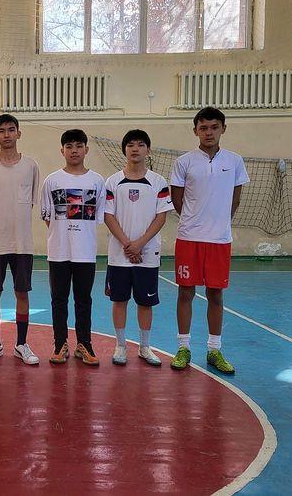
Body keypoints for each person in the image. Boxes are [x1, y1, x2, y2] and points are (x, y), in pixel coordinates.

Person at [169, 107, 249, 374]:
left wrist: (219, 224)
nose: (209, 132)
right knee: (185, 292)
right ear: (195, 131)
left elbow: (235, 199)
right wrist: (195, 221)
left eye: (214, 127)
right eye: (203, 128)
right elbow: (178, 200)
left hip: (219, 240)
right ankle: (183, 347)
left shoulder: (235, 161)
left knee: (216, 294)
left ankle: (214, 349)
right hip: (189, 238)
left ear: (223, 128)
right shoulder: (184, 162)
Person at [104, 129, 173, 367]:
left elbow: (161, 217)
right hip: (119, 255)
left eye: (141, 144)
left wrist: (140, 244)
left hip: (148, 253)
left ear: (148, 150)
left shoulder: (158, 182)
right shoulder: (112, 182)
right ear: (124, 150)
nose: (135, 149)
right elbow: (108, 216)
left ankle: (145, 347)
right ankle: (121, 345)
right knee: (119, 301)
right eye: (131, 145)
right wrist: (127, 244)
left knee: (145, 302)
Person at [0, 114, 40, 365]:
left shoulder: (31, 166)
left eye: (11, 130)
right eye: (1, 131)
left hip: (22, 243)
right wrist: (0, 223)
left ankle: (21, 344)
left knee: (22, 293)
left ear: (18, 133)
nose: (6, 134)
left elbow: (31, 203)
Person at [40, 129, 105, 365]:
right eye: (69, 146)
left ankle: (84, 344)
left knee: (83, 300)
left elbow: (99, 217)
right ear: (62, 151)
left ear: (86, 149)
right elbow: (47, 216)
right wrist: (62, 234)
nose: (74, 150)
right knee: (58, 300)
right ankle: (60, 344)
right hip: (58, 252)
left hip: (85, 253)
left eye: (78, 146)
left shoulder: (97, 181)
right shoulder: (52, 180)